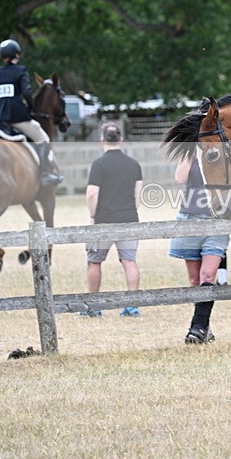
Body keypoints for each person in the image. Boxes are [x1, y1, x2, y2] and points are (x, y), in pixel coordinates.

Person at [168, 156, 231, 344]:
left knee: (208, 275)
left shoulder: (220, 152)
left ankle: (197, 328)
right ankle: (204, 326)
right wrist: (188, 151)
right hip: (190, 219)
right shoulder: (191, 154)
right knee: (195, 280)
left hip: (217, 220)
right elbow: (179, 178)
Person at [84, 122, 143, 317]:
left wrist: (93, 215)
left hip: (103, 220)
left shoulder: (98, 164)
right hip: (129, 219)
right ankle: (132, 307)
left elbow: (92, 193)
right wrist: (130, 210)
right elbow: (138, 194)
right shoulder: (134, 164)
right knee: (129, 261)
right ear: (121, 140)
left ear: (102, 140)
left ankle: (93, 307)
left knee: (94, 262)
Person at [0, 39, 63, 185]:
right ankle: (44, 174)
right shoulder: (20, 71)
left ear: (1, 57)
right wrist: (30, 107)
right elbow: (26, 92)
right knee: (43, 139)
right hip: (17, 118)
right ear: (17, 55)